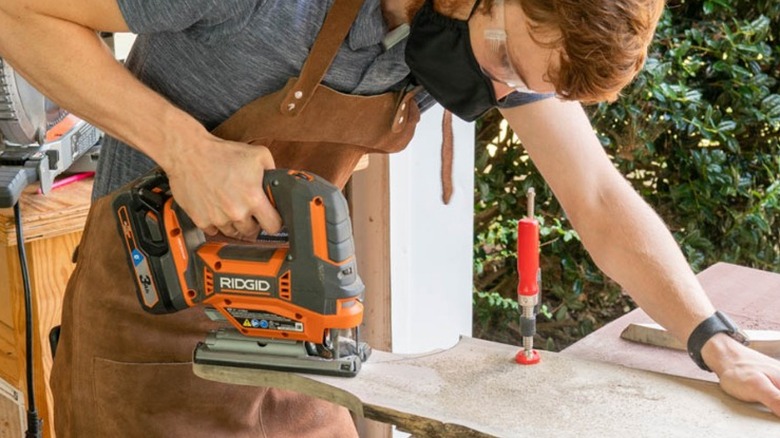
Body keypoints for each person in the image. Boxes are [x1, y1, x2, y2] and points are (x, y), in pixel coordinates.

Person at [0, 0, 778, 436]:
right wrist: (183, 146)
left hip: (301, 343)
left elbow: (600, 200)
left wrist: (714, 342)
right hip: (150, 326)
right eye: (507, 65)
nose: (500, 93)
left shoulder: (492, 36)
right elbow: (20, 14)